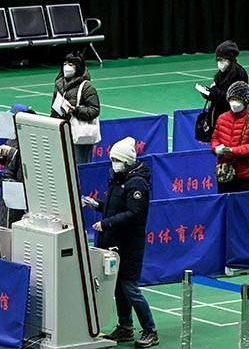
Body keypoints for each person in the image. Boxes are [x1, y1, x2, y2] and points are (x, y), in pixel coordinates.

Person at [83, 137, 159, 349]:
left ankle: (150, 330)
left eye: (117, 159)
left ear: (126, 161)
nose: (113, 163)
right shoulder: (118, 178)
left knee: (129, 287)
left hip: (129, 245)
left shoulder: (137, 184)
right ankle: (125, 327)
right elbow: (114, 207)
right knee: (118, 287)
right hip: (114, 243)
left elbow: (134, 214)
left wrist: (105, 223)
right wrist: (96, 205)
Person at [210, 81, 249, 193]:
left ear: (245, 102)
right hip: (224, 171)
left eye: (238, 100)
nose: (234, 103)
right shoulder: (222, 118)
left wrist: (233, 151)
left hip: (245, 174)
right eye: (232, 99)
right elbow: (215, 138)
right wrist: (216, 148)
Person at [50, 52, 101, 165]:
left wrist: (76, 110)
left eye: (71, 64)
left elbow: (94, 110)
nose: (67, 67)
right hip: (63, 131)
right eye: (65, 63)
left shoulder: (87, 86)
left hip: (80, 136)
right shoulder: (59, 84)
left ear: (78, 67)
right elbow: (54, 109)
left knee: (80, 167)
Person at [195, 39, 249, 136]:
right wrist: (207, 93)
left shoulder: (239, 74)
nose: (219, 62)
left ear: (229, 59)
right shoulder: (221, 74)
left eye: (221, 59)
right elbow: (216, 93)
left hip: (230, 122)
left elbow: (233, 99)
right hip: (216, 119)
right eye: (218, 59)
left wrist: (213, 91)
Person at [0, 103, 33, 228]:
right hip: (8, 183)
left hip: (19, 185)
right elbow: (9, 163)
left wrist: (12, 153)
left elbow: (24, 161)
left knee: (11, 222)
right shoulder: (13, 136)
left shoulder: (29, 138)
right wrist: (2, 156)